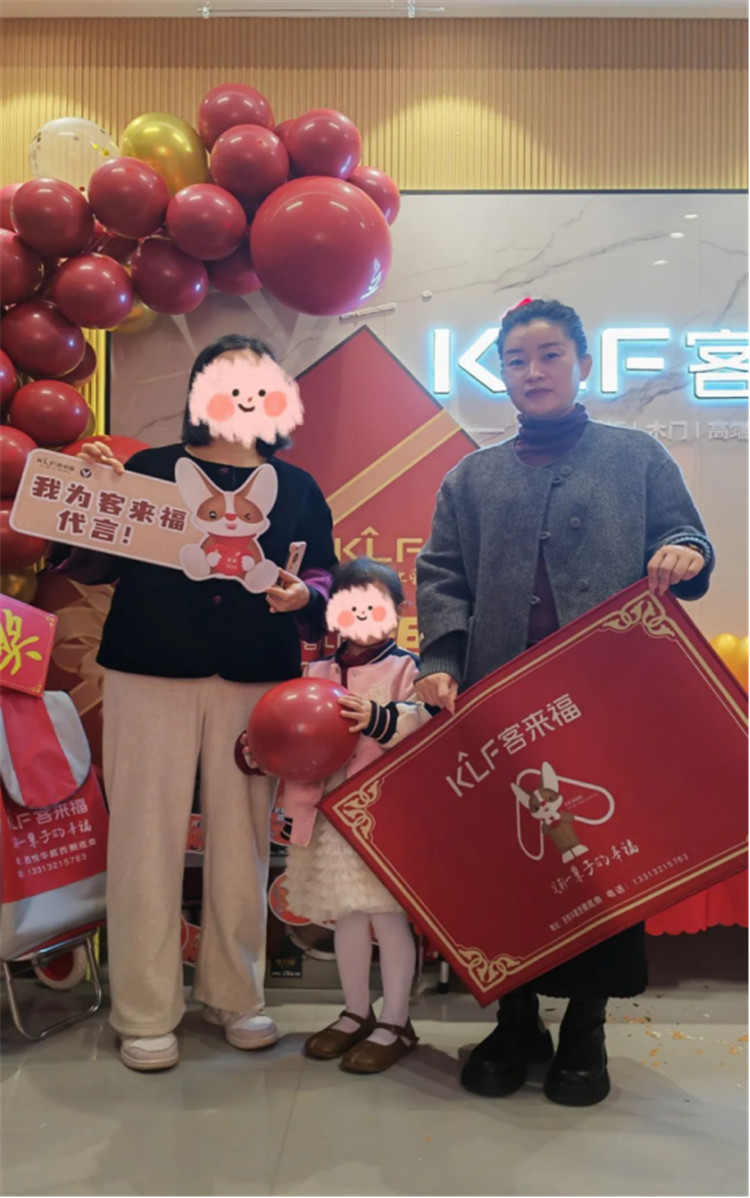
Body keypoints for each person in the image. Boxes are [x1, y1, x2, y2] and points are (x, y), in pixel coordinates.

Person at [415, 298, 714, 1106]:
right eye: (516, 360)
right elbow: (443, 577)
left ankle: (586, 1026)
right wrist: (439, 662)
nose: (534, 371)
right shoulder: (470, 477)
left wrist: (683, 551)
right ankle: (517, 1022)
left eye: (550, 355)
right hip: (501, 706)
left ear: (582, 364)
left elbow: (685, 535)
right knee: (508, 866)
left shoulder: (636, 456)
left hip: (611, 708)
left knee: (603, 864)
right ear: (502, 375)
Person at [72, 334, 337, 1072]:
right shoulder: (149, 470)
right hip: (148, 670)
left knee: (243, 840)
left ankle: (236, 995)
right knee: (143, 837)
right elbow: (95, 560)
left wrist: (305, 596)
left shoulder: (299, 487)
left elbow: (323, 572)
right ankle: (144, 1009)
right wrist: (90, 494)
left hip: (254, 677)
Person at [241, 558, 434, 1073]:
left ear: (398, 612)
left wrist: (378, 718)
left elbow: (423, 726)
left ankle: (397, 1020)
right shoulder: (316, 671)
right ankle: (355, 1012)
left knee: (387, 917)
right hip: (326, 816)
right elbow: (289, 729)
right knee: (345, 916)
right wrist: (261, 749)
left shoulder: (409, 669)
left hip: (382, 817)